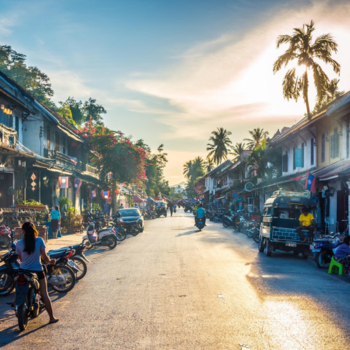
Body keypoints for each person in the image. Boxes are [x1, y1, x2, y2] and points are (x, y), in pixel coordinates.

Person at [16, 222, 59, 324]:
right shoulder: (39, 240)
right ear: (34, 230)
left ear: (23, 231)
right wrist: (50, 261)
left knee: (18, 289)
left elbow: (20, 259)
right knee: (44, 294)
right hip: (37, 272)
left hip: (23, 271)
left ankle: (16, 304)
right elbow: (44, 257)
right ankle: (51, 318)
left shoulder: (18, 243)